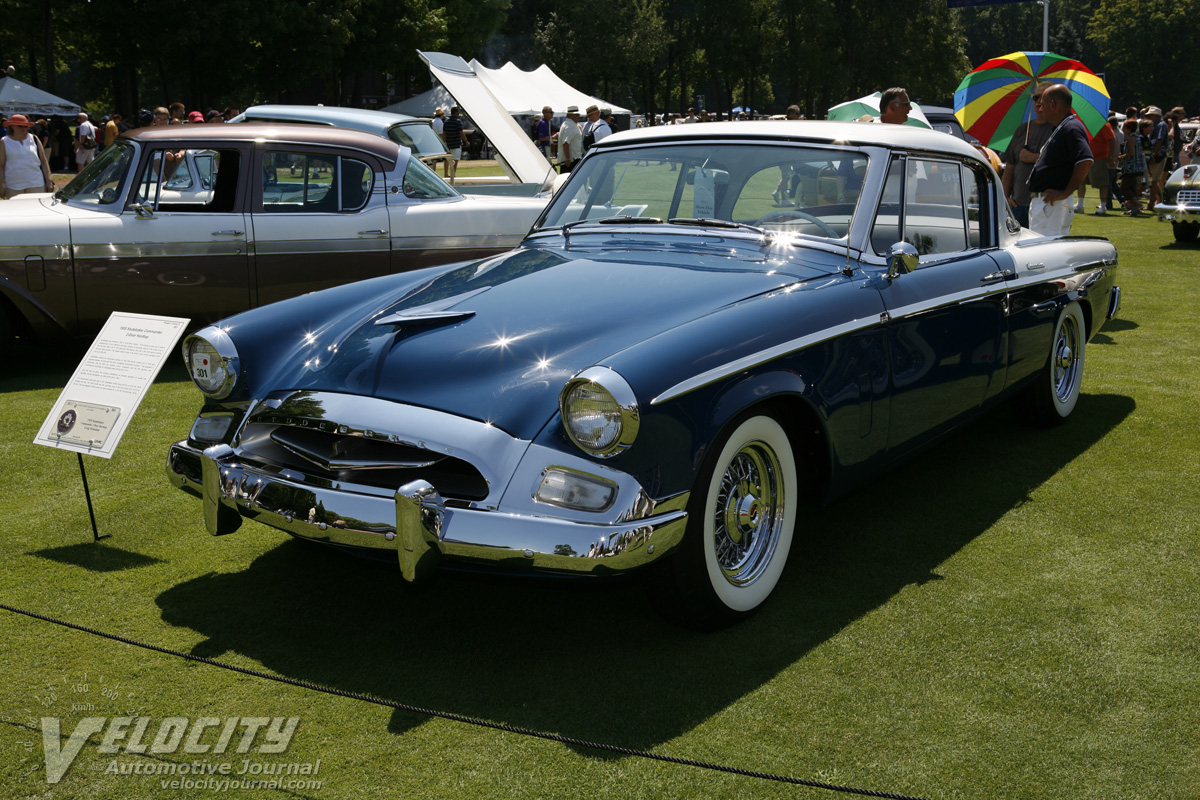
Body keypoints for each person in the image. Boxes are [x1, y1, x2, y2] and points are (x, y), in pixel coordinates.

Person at [1027, 84, 1093, 236]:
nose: (1040, 108)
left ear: (1053, 105)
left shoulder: (1072, 127)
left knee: (1045, 252)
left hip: (1053, 205)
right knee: (1039, 251)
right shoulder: (1061, 128)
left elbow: (1085, 160)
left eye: (1042, 104)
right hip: (1047, 205)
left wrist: (1065, 192)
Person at [1001, 85, 1054, 228]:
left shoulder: (1058, 130)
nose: (1038, 102)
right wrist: (1005, 196)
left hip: (1045, 206)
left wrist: (1032, 157)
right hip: (1018, 204)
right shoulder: (1022, 129)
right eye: (1035, 97)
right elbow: (1010, 165)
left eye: (1043, 97)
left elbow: (1060, 163)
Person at [0, 114, 55, 198]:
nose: (24, 129)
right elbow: (1, 165)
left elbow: (44, 161)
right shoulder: (4, 141)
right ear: (12, 126)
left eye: (26, 126)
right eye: (20, 126)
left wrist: (48, 180)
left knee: (36, 210)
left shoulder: (34, 139)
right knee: (17, 210)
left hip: (36, 182)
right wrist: (1, 185)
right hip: (13, 184)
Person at [1082, 112, 1117, 215]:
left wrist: (1110, 157)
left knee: (1103, 183)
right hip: (1086, 157)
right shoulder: (1086, 123)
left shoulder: (1103, 124)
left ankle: (1103, 206)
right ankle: (1079, 204)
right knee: (1081, 182)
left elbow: (1112, 140)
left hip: (1100, 158)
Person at [1118, 117, 1145, 216]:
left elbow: (1131, 153)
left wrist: (1121, 157)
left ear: (1128, 128)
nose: (1123, 130)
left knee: (1124, 188)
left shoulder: (1131, 138)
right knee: (1132, 188)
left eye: (1124, 127)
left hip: (1131, 167)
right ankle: (1134, 209)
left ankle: (1137, 204)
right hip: (1137, 167)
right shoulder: (1137, 137)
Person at [1145, 106, 1168, 210]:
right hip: (1156, 154)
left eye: (1149, 115)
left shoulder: (1161, 125)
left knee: (1153, 180)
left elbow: (1160, 140)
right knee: (1154, 180)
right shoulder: (1157, 124)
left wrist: (1154, 155)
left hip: (1158, 156)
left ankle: (1151, 204)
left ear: (1155, 116)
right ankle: (1163, 201)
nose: (1148, 117)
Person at [440, 106, 464, 184]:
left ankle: (446, 173)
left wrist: (444, 142)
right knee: (455, 160)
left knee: (447, 160)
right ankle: (453, 174)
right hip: (456, 143)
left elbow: (444, 133)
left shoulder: (446, 121)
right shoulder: (458, 121)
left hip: (448, 143)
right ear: (456, 113)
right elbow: (461, 132)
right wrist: (466, 141)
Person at [555, 105, 582, 173]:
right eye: (577, 114)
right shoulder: (570, 125)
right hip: (572, 161)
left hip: (572, 159)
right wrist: (567, 158)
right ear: (572, 115)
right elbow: (566, 142)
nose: (578, 116)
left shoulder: (567, 123)